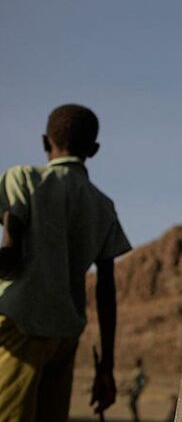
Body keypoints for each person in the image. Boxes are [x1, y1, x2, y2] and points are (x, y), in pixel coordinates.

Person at [0, 104, 131, 421]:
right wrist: (106, 367)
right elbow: (106, 291)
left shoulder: (24, 179)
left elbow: (11, 255)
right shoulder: (102, 206)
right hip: (64, 338)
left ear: (46, 142)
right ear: (94, 150)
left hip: (21, 324)